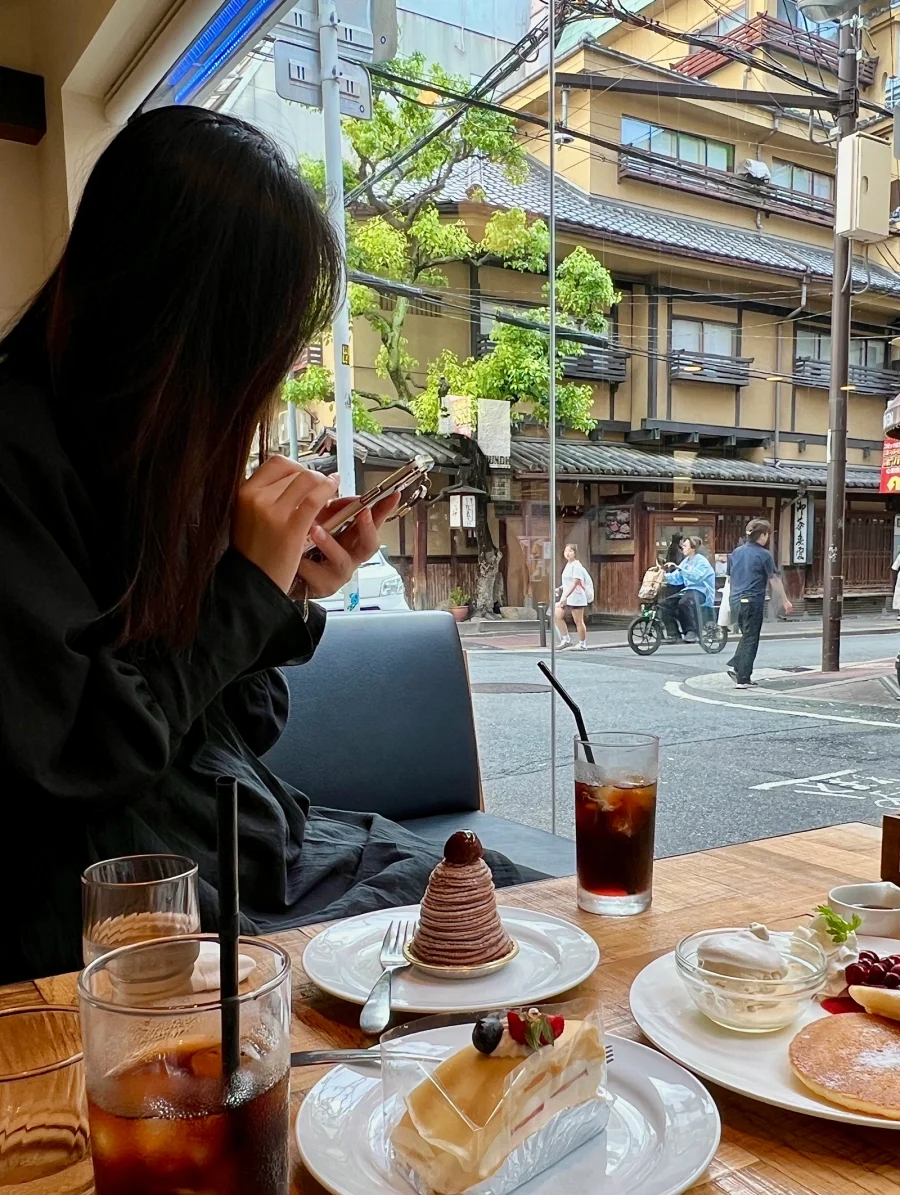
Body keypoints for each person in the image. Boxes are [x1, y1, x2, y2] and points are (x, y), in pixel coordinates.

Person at [0, 106, 526, 984]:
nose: (278, 374)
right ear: (180, 321)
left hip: (246, 854)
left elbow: (235, 727)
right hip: (127, 917)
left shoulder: (143, 463)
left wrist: (284, 594)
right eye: (266, 343)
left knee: (498, 903)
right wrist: (243, 590)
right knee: (473, 943)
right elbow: (79, 761)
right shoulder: (18, 460)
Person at [726, 520, 792, 686]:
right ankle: (743, 676)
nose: (767, 537)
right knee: (751, 637)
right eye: (767, 534)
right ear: (762, 535)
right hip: (752, 600)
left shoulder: (736, 552)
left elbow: (730, 578)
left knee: (746, 634)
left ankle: (737, 666)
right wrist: (785, 600)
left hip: (735, 599)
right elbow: (774, 579)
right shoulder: (764, 555)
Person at [661, 536, 716, 642]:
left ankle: (692, 631)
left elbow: (696, 577)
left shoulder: (702, 561)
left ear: (693, 548)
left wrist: (679, 568)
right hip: (689, 591)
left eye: (685, 546)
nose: (682, 548)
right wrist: (664, 576)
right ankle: (673, 634)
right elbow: (678, 578)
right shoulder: (686, 561)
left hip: (702, 592)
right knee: (664, 604)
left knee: (684, 602)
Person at [554, 542, 593, 650]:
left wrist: (565, 596)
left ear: (575, 553)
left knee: (578, 621)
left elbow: (575, 582)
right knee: (557, 615)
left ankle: (582, 643)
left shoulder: (577, 566)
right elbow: (568, 581)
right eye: (566, 551)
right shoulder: (568, 565)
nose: (567, 553)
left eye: (570, 551)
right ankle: (566, 639)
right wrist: (561, 589)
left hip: (576, 597)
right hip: (567, 596)